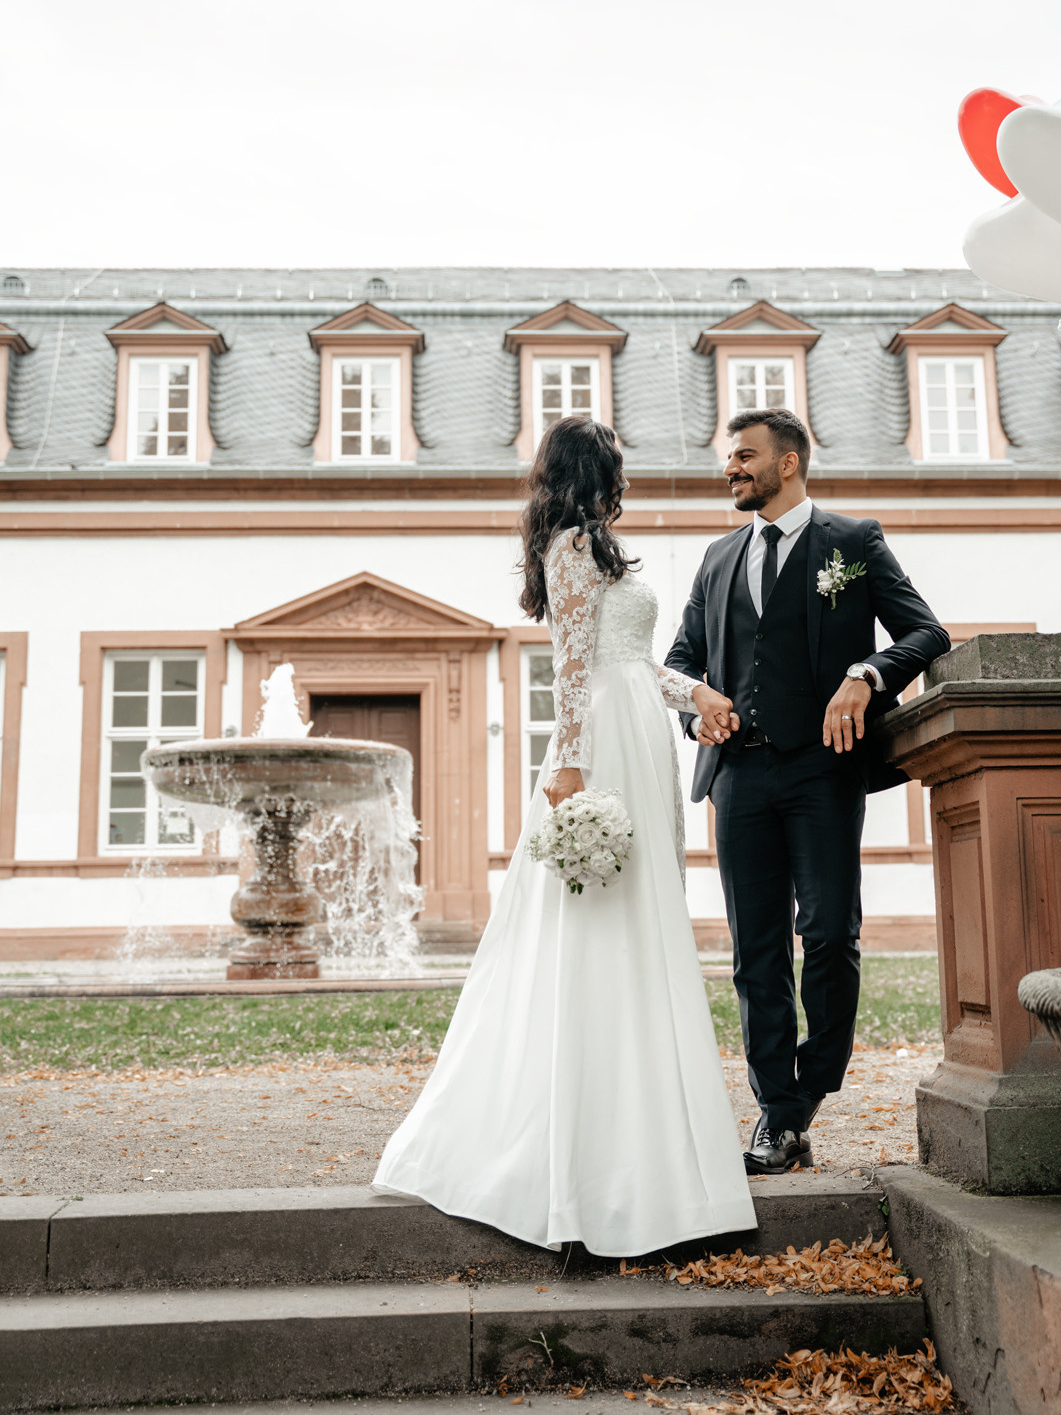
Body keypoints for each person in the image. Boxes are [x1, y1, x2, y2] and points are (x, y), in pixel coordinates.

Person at [371, 416, 756, 1256]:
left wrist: (693, 694)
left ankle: (647, 1123)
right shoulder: (571, 547)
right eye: (615, 458)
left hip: (638, 732)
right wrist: (571, 769)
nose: (624, 467)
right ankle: (587, 1150)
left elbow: (628, 661)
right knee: (595, 924)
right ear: (593, 468)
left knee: (642, 919)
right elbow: (571, 668)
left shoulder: (598, 544)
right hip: (600, 745)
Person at [665, 408, 948, 1176]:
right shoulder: (718, 557)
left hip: (822, 770)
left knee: (827, 935)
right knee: (755, 952)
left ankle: (806, 1088)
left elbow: (925, 632)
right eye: (729, 457)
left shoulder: (851, 542)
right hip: (739, 776)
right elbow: (679, 658)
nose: (731, 469)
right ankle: (777, 1111)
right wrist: (698, 698)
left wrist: (864, 675)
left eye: (744, 456)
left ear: (787, 463)